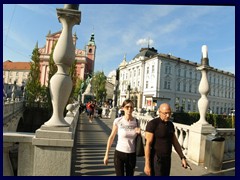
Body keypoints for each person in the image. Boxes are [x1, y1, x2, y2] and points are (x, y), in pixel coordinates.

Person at [144, 103, 188, 176]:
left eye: (169, 113)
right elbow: (147, 145)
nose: (168, 115)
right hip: (156, 159)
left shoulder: (170, 124)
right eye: (165, 113)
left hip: (167, 159)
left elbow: (175, 142)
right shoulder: (153, 124)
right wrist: (147, 164)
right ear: (159, 112)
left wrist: (182, 157)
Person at [103, 99, 140, 176]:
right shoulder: (118, 121)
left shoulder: (136, 122)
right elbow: (111, 137)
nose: (129, 109)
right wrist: (106, 155)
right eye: (127, 107)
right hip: (119, 153)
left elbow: (141, 137)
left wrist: (140, 132)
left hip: (131, 154)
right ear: (123, 108)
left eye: (131, 107)